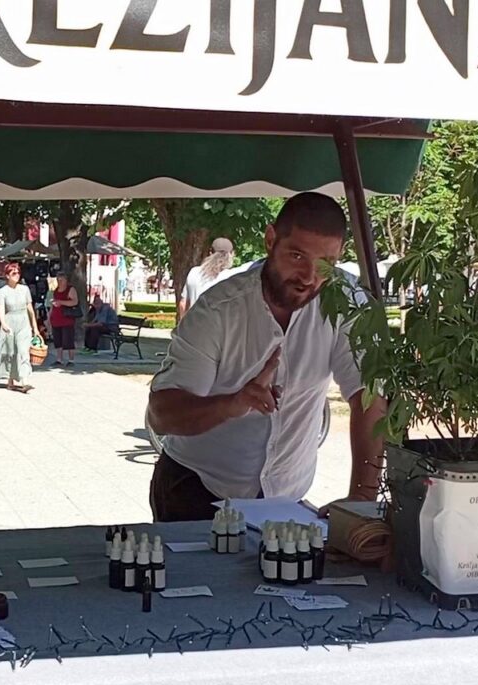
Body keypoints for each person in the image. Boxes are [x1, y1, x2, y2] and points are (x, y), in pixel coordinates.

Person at [145, 193, 386, 522]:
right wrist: (230, 404)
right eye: (297, 255)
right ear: (270, 239)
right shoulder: (218, 309)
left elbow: (369, 397)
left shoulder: (349, 304)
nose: (308, 276)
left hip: (285, 500)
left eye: (325, 263)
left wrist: (362, 497)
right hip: (195, 489)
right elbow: (161, 414)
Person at [0, 263, 42, 393]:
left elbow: (30, 309)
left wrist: (35, 327)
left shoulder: (24, 289)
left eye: (18, 272)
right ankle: (10, 379)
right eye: (14, 273)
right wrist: (3, 324)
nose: (17, 275)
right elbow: (1, 309)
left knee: (23, 351)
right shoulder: (3, 291)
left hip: (24, 322)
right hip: (10, 322)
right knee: (10, 352)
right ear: (7, 276)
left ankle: (24, 381)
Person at [177, 237, 236, 322]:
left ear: (210, 253)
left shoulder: (194, 272)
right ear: (231, 254)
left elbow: (183, 304)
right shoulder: (231, 277)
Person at [48, 272, 80, 367]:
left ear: (66, 280)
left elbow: (75, 302)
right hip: (56, 318)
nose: (59, 282)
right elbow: (53, 306)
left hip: (67, 319)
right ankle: (59, 359)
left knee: (69, 340)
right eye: (58, 280)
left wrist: (61, 302)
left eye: (61, 280)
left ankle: (71, 360)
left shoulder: (70, 289)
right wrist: (49, 316)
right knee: (58, 341)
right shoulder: (56, 290)